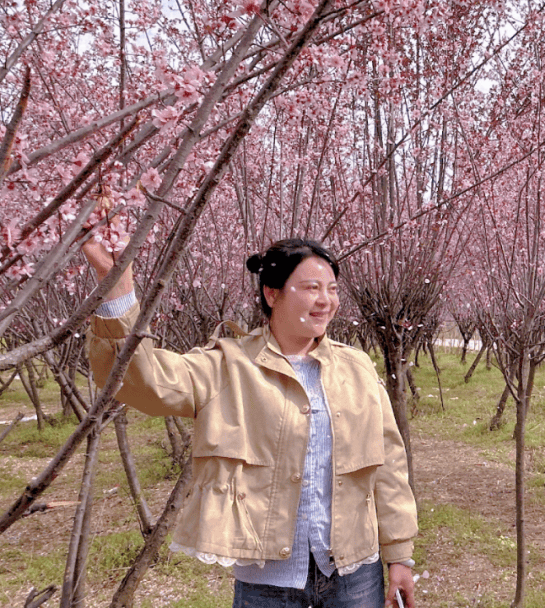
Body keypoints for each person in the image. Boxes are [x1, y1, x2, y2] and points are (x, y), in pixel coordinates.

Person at [83, 236, 418, 608]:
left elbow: (388, 465)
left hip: (355, 577)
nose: (325, 300)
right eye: (311, 288)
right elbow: (141, 380)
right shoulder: (227, 365)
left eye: (332, 289)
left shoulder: (356, 368)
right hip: (268, 585)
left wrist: (400, 556)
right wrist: (117, 282)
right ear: (272, 294)